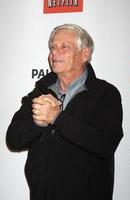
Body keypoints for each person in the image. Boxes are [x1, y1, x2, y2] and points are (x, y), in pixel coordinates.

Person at [6, 24, 123, 200]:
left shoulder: (105, 94)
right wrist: (37, 124)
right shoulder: (40, 91)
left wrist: (57, 118)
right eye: (52, 47)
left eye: (64, 47)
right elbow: (13, 140)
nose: (54, 52)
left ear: (85, 54)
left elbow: (105, 144)